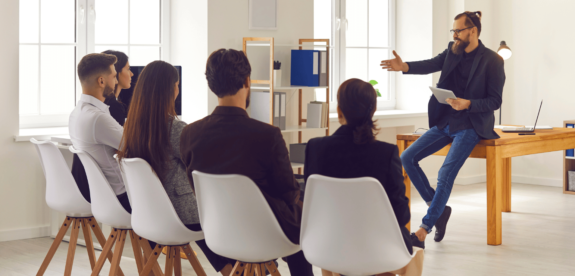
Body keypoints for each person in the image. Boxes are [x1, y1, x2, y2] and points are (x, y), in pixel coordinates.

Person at [180, 49, 314, 276]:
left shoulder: (189, 134)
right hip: (266, 233)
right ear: (246, 81)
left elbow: (198, 191)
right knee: (304, 211)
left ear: (211, 85)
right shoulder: (267, 135)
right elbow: (289, 193)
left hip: (219, 232)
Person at [380, 11, 505, 244]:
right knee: (406, 157)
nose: (455, 35)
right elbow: (430, 64)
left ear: (473, 31)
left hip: (471, 124)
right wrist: (404, 66)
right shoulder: (452, 50)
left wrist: (468, 103)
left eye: (459, 30)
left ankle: (422, 230)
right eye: (454, 31)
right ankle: (439, 210)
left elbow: (495, 101)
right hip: (445, 121)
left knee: (445, 173)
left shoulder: (492, 60)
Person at [116, 61, 233, 275]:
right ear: (172, 89)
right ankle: (237, 269)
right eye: (177, 85)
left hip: (148, 215)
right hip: (181, 216)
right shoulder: (176, 128)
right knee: (224, 216)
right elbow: (203, 168)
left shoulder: (131, 128)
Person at [304, 78, 423, 276]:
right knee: (415, 252)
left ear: (339, 110)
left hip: (327, 246)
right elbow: (401, 215)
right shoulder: (387, 153)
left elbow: (310, 205)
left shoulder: (315, 148)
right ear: (373, 111)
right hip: (377, 251)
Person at [69, 53, 132, 212]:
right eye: (113, 76)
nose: (116, 81)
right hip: (122, 198)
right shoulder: (98, 118)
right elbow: (134, 145)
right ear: (101, 81)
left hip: (103, 196)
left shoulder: (76, 113)